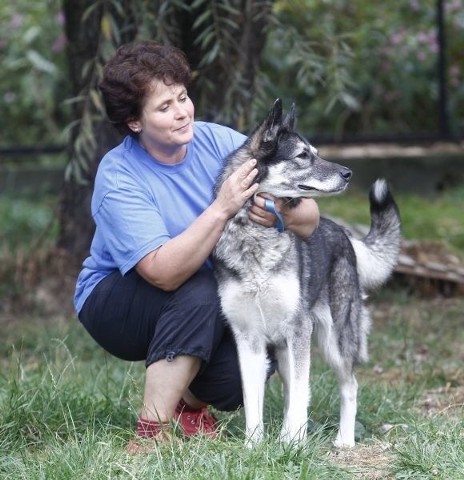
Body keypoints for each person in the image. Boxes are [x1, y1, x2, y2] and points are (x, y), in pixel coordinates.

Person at [73, 41, 320, 453]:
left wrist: (281, 213)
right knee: (201, 289)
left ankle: (191, 408)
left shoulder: (219, 142)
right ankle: (150, 435)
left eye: (183, 97)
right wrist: (223, 207)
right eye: (164, 106)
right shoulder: (119, 176)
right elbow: (162, 273)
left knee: (249, 364)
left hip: (202, 294)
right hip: (116, 301)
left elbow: (309, 218)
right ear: (135, 122)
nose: (182, 111)